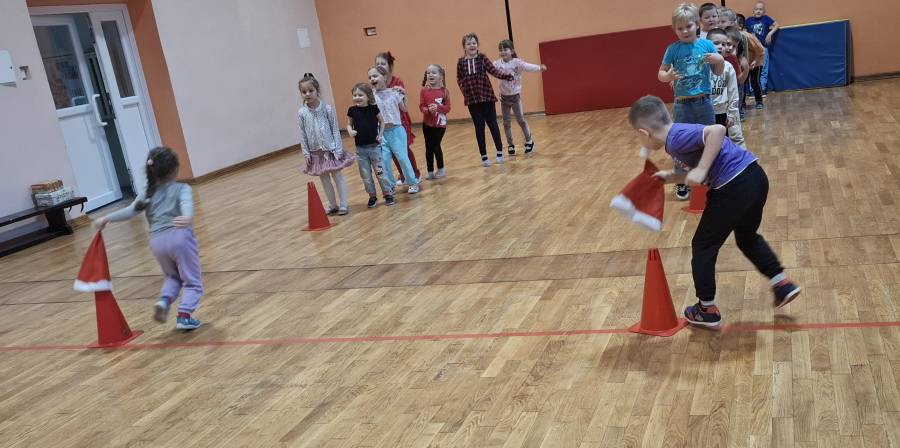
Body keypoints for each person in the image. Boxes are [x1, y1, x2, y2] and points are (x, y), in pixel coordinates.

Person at [628, 95, 801, 327]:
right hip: (754, 178)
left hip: (733, 188)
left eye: (638, 137)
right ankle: (782, 283)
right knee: (747, 238)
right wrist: (670, 177)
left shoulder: (676, 138)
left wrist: (701, 168)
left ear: (644, 132)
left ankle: (706, 309)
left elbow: (717, 131)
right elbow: (706, 170)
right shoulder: (676, 138)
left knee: (703, 246)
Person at [93, 147, 204, 331]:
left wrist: (106, 218)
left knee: (173, 276)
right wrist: (187, 217)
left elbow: (129, 211)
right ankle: (184, 316)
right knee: (192, 281)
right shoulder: (182, 188)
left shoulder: (147, 194)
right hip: (180, 238)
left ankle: (164, 301)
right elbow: (186, 204)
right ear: (175, 169)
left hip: (157, 242)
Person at [658, 3, 724, 201]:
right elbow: (661, 74)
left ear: (697, 24)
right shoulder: (672, 49)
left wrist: (719, 60)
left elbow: (718, 72)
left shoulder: (707, 45)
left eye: (688, 26)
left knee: (709, 140)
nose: (685, 31)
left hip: (704, 102)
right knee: (680, 143)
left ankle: (712, 176)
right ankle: (682, 180)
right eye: (680, 28)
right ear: (674, 30)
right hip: (682, 104)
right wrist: (668, 76)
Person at [297, 73, 355, 214]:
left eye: (310, 90)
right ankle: (333, 204)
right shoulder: (302, 113)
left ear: (317, 90)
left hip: (331, 150)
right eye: (304, 92)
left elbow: (335, 130)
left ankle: (343, 204)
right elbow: (302, 134)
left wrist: (338, 149)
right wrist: (306, 152)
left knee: (337, 176)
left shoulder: (327, 109)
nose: (307, 94)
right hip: (316, 152)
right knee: (324, 179)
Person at [456, 32, 514, 166]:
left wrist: (506, 76)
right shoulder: (461, 62)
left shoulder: (482, 58)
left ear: (477, 45)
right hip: (472, 100)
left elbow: (493, 71)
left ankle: (500, 152)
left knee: (493, 124)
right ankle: (484, 156)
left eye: (474, 43)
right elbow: (459, 79)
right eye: (468, 43)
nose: (472, 45)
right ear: (464, 47)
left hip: (487, 97)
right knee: (479, 127)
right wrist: (465, 90)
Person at [369, 65, 420, 194]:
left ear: (385, 77)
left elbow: (404, 109)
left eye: (375, 76)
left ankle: (412, 182)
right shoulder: (371, 97)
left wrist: (404, 95)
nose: (372, 79)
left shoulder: (394, 93)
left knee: (402, 158)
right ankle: (390, 186)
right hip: (382, 133)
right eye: (370, 77)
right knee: (384, 160)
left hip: (397, 131)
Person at [493, 39, 547, 156]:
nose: (503, 52)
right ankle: (510, 144)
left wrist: (539, 68)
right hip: (504, 98)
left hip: (515, 97)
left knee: (521, 119)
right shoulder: (497, 64)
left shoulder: (517, 63)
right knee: (506, 122)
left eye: (505, 49)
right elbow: (488, 68)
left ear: (512, 51)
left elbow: (528, 67)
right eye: (501, 50)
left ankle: (529, 141)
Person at [347, 83, 395, 207]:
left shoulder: (374, 108)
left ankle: (388, 193)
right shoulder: (352, 110)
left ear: (368, 96)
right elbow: (349, 124)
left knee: (380, 172)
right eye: (355, 95)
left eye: (360, 95)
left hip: (374, 148)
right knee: (366, 175)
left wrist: (380, 134)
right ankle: (372, 196)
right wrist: (350, 131)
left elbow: (382, 122)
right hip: (360, 150)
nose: (357, 97)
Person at [708, 28, 745, 147]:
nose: (720, 47)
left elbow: (733, 93)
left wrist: (732, 114)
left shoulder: (728, 67)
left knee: (724, 143)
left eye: (724, 44)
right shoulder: (702, 66)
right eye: (716, 43)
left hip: (722, 113)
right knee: (708, 143)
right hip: (705, 112)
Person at [419, 64, 451, 179]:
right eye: (428, 73)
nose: (430, 75)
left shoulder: (445, 91)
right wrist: (427, 110)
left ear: (440, 76)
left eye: (433, 72)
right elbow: (421, 106)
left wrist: (438, 108)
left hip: (440, 125)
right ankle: (430, 171)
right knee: (428, 147)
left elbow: (448, 108)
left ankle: (441, 168)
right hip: (427, 124)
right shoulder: (424, 91)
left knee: (435, 145)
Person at [745, 1, 779, 96]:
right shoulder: (748, 20)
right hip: (752, 50)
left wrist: (770, 33)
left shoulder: (766, 18)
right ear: (753, 11)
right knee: (752, 69)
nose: (758, 11)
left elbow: (777, 25)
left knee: (763, 69)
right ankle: (753, 91)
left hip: (763, 48)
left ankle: (762, 89)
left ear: (764, 11)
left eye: (761, 9)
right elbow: (743, 30)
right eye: (756, 9)